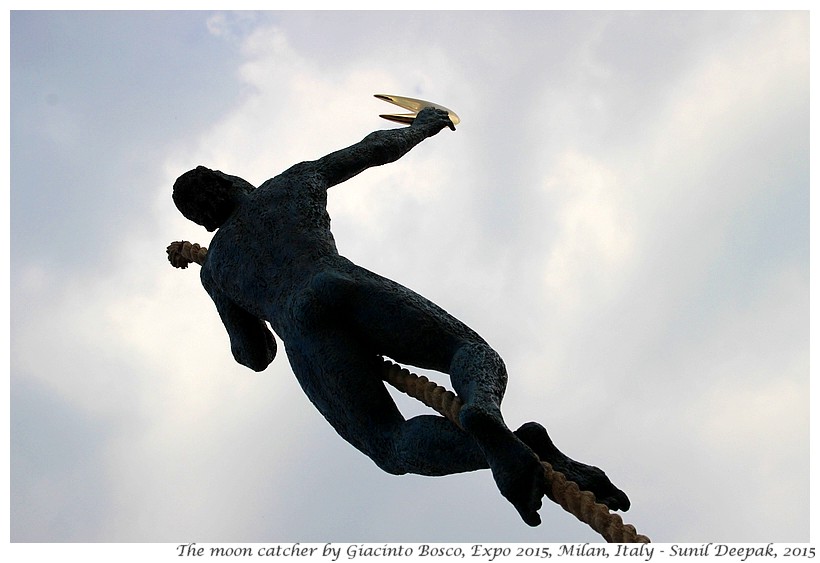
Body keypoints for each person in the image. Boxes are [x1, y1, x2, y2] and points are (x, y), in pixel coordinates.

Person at [172, 107, 629, 526]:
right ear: (230, 180)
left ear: (202, 222)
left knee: (389, 443)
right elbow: (374, 150)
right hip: (340, 283)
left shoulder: (217, 270)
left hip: (305, 333)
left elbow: (254, 355)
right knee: (466, 351)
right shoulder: (290, 184)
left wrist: (244, 307)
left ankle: (492, 449)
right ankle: (484, 413)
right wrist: (423, 125)